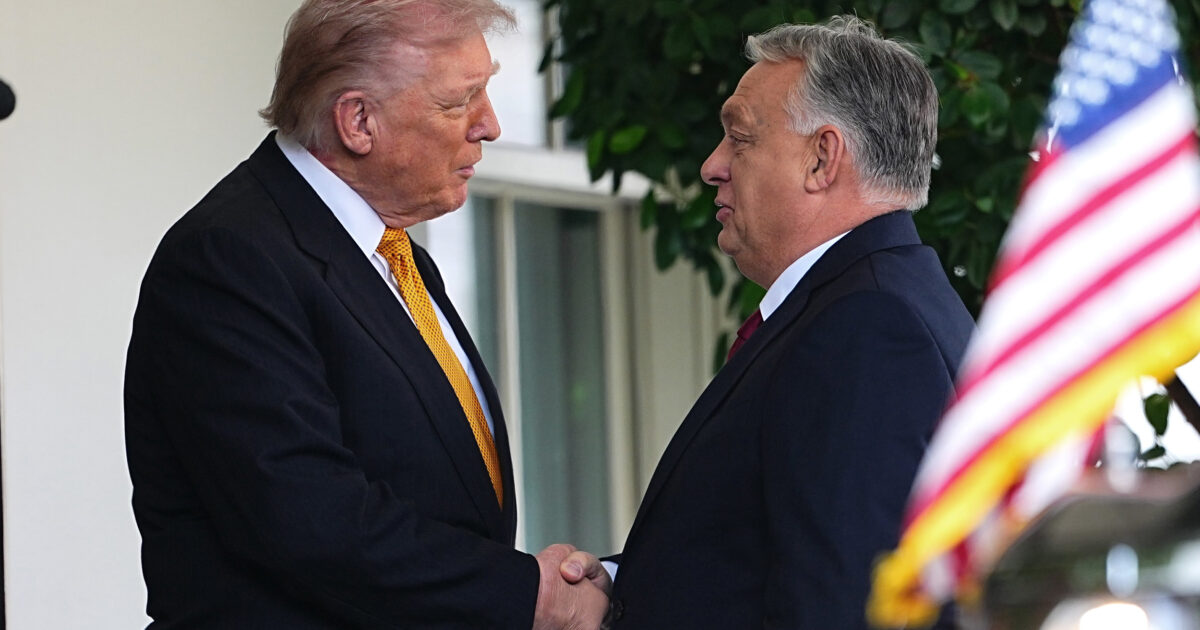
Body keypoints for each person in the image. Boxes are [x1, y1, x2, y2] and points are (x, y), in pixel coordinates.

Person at [123, 1, 608, 628]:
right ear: (357, 121)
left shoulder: (393, 254)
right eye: (460, 101)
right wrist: (529, 596)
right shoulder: (230, 256)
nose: (489, 125)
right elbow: (309, 518)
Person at [604, 16, 974, 629]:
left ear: (822, 159)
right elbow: (759, 558)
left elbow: (841, 607)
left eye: (740, 138)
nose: (712, 165)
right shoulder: (886, 301)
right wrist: (614, 586)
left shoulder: (867, 327)